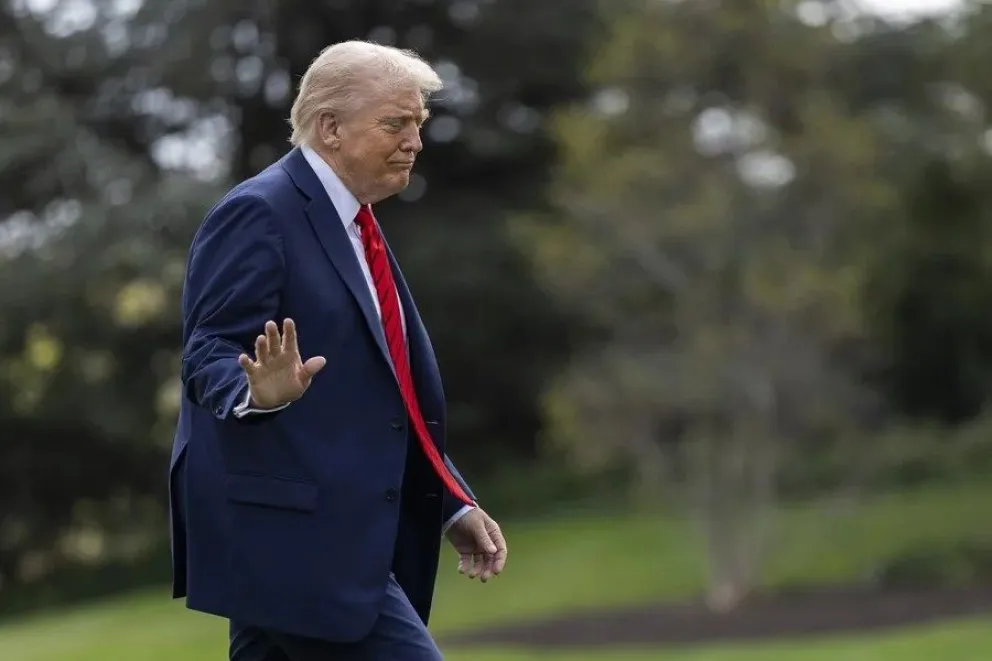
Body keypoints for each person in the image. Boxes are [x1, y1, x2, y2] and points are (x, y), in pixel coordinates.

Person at [168, 40, 508, 661]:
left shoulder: (354, 222)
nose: (415, 141)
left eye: (418, 124)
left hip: (308, 546)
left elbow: (384, 394)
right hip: (297, 544)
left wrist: (450, 500)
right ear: (330, 129)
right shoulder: (259, 212)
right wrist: (252, 390)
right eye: (395, 123)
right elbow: (207, 351)